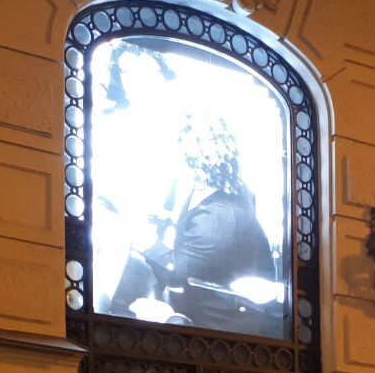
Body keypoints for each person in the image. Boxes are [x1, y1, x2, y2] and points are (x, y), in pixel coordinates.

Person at [107, 111, 280, 331]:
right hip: (217, 304)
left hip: (223, 323)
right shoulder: (226, 188)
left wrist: (146, 242)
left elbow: (179, 272)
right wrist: (169, 219)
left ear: (193, 158)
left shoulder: (218, 216)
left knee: (131, 304)